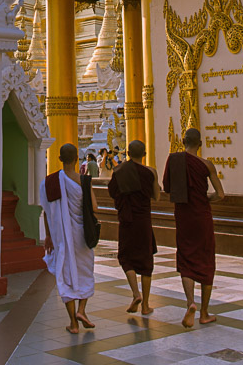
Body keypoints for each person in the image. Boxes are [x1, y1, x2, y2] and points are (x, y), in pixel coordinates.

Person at [162, 127, 225, 328]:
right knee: (206, 259)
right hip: (202, 216)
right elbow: (221, 194)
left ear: (183, 141)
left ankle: (190, 303)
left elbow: (168, 188)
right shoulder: (206, 165)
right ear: (200, 143)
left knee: (187, 258)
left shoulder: (173, 160)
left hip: (184, 216)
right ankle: (204, 312)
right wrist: (206, 198)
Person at [40, 142, 98, 334]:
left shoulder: (49, 182)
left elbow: (47, 212)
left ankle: (73, 323)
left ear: (59, 159)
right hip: (82, 235)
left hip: (61, 237)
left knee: (66, 276)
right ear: (76, 159)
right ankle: (82, 310)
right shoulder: (84, 181)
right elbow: (95, 208)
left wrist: (48, 236)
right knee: (85, 272)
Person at [108, 139, 160, 314]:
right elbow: (157, 197)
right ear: (144, 154)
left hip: (127, 221)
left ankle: (135, 293)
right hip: (143, 221)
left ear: (128, 154)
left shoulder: (119, 171)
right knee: (146, 262)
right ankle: (145, 305)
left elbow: (112, 192)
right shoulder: (151, 172)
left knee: (125, 258)